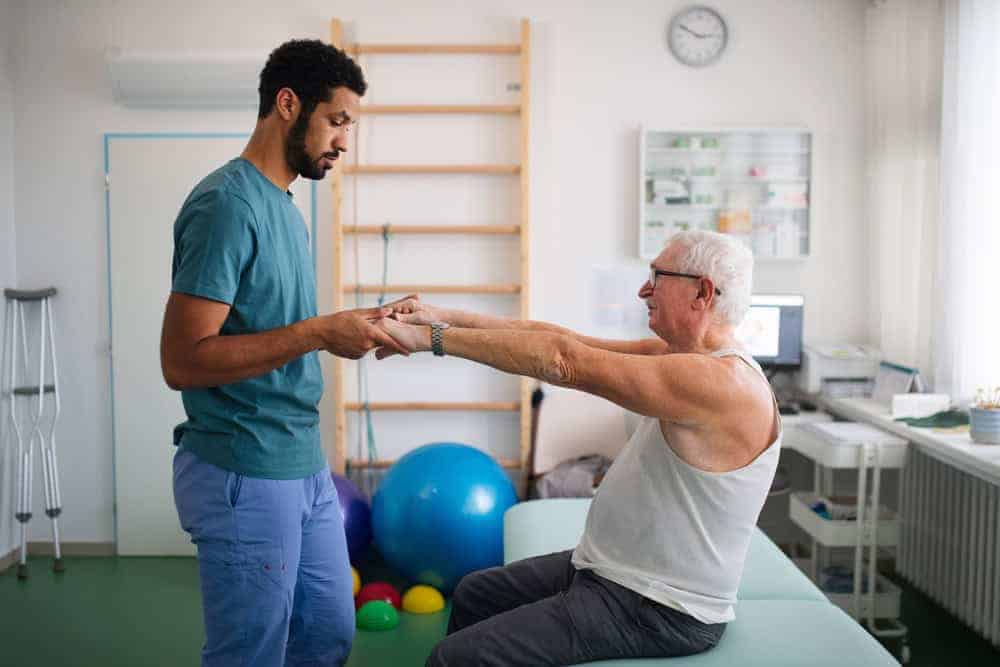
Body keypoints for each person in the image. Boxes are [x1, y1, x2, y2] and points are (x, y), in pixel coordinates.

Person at [377, 230, 781, 666]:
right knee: (475, 592)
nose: (644, 290)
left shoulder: (722, 384)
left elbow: (562, 360)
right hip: (612, 571)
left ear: (702, 292)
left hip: (658, 605)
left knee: (453, 658)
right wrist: (439, 318)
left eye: (657, 276)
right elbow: (561, 338)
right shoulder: (688, 360)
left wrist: (428, 341)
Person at [159, 39, 410, 666]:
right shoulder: (226, 205)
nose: (344, 141)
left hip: (302, 460)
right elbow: (183, 359)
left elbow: (280, 330)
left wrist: (363, 326)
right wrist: (322, 332)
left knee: (328, 634)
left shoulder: (287, 209)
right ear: (288, 105)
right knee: (250, 652)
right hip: (242, 468)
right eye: (337, 121)